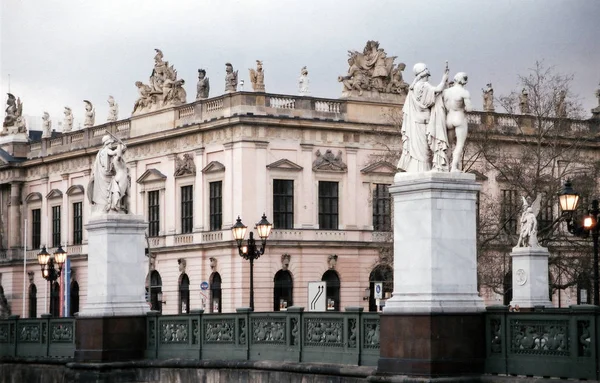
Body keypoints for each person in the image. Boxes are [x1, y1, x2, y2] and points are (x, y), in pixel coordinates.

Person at [397, 62, 449, 172]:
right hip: (424, 122)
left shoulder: (414, 88)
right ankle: (422, 169)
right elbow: (438, 89)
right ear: (425, 74)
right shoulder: (425, 86)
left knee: (418, 149)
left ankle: (415, 168)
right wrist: (444, 78)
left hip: (415, 122)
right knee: (424, 150)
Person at [443, 72, 473, 172]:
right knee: (459, 144)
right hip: (459, 118)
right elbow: (469, 109)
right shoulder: (464, 92)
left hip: (449, 119)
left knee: (448, 145)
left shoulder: (446, 92)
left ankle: (445, 166)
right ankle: (454, 167)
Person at [88, 135, 119, 213]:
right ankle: (111, 205)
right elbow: (113, 152)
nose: (111, 145)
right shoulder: (106, 150)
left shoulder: (100, 152)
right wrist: (120, 148)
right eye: (110, 143)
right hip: (106, 175)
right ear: (107, 143)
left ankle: (109, 204)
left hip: (104, 175)